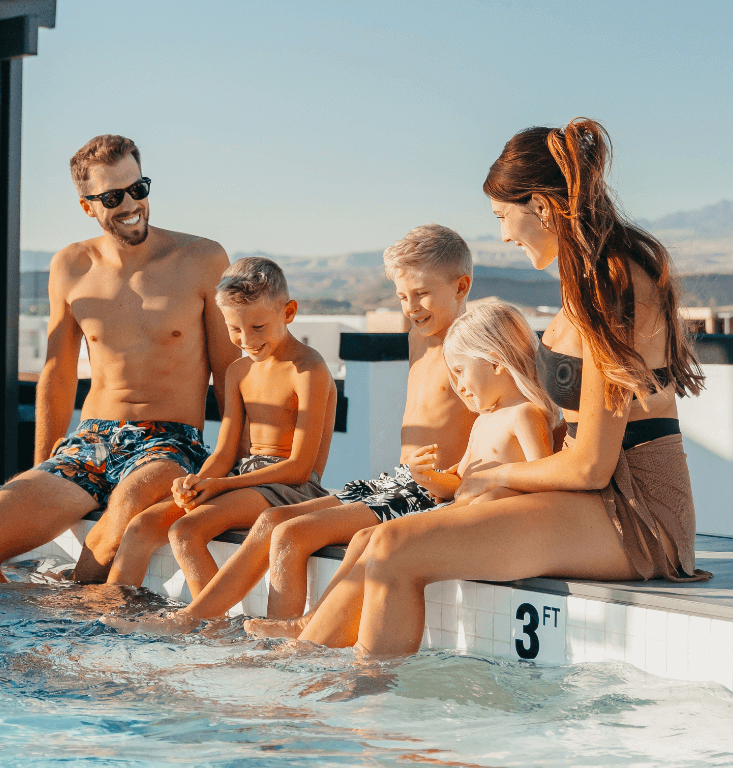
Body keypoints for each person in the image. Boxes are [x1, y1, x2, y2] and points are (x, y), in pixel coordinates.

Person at [291, 118, 711, 657]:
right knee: (374, 538)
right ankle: (301, 680)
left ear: (540, 204)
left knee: (396, 545)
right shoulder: (589, 281)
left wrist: (498, 474)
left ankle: (370, 717)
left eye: (502, 217)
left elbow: (590, 466)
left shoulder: (611, 285)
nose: (505, 236)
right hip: (598, 500)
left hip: (638, 514)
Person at [133, 225, 476, 635]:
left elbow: (497, 416)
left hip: (430, 489)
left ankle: (263, 631)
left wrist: (455, 481)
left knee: (290, 532)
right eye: (403, 296)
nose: (411, 306)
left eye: (420, 294)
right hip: (396, 479)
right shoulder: (416, 338)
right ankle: (222, 622)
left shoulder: (472, 344)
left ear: (461, 286)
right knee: (273, 524)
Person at [0, 134, 238, 587]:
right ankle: (30, 641)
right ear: (88, 206)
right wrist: (41, 465)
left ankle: (73, 627)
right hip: (92, 440)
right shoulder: (71, 266)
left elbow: (232, 373)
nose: (132, 204)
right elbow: (58, 373)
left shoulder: (201, 258)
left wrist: (239, 468)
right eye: (114, 196)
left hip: (170, 444)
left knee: (107, 534)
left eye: (139, 188)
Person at [253, 296, 560, 642]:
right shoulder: (484, 420)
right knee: (364, 538)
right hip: (455, 512)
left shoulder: (524, 415)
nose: (459, 387)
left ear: (495, 362)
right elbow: (458, 483)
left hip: (482, 525)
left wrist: (499, 490)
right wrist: (429, 479)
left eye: (460, 372)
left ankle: (315, 629)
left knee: (378, 541)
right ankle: (313, 618)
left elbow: (543, 482)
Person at [105, 257, 336, 597]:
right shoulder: (238, 372)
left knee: (185, 532)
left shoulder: (308, 369)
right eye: (235, 329)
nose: (246, 339)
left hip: (288, 488)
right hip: (241, 480)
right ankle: (111, 624)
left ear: (288, 313)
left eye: (258, 327)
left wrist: (221, 486)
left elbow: (300, 469)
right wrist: (198, 481)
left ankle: (213, 629)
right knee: (142, 525)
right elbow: (226, 451)